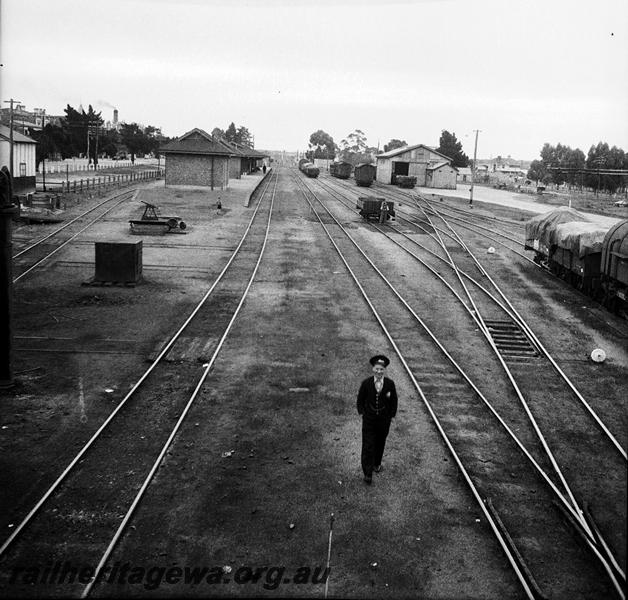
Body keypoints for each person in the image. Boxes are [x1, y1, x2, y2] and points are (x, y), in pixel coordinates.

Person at [357, 354, 398, 485]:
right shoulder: (366, 383)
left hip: (384, 420)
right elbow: (360, 399)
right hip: (369, 419)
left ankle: (377, 463)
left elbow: (394, 400)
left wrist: (391, 415)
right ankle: (367, 473)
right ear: (373, 369)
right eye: (377, 369)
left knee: (380, 441)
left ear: (384, 370)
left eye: (381, 369)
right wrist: (362, 412)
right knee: (368, 444)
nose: (379, 372)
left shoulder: (390, 384)